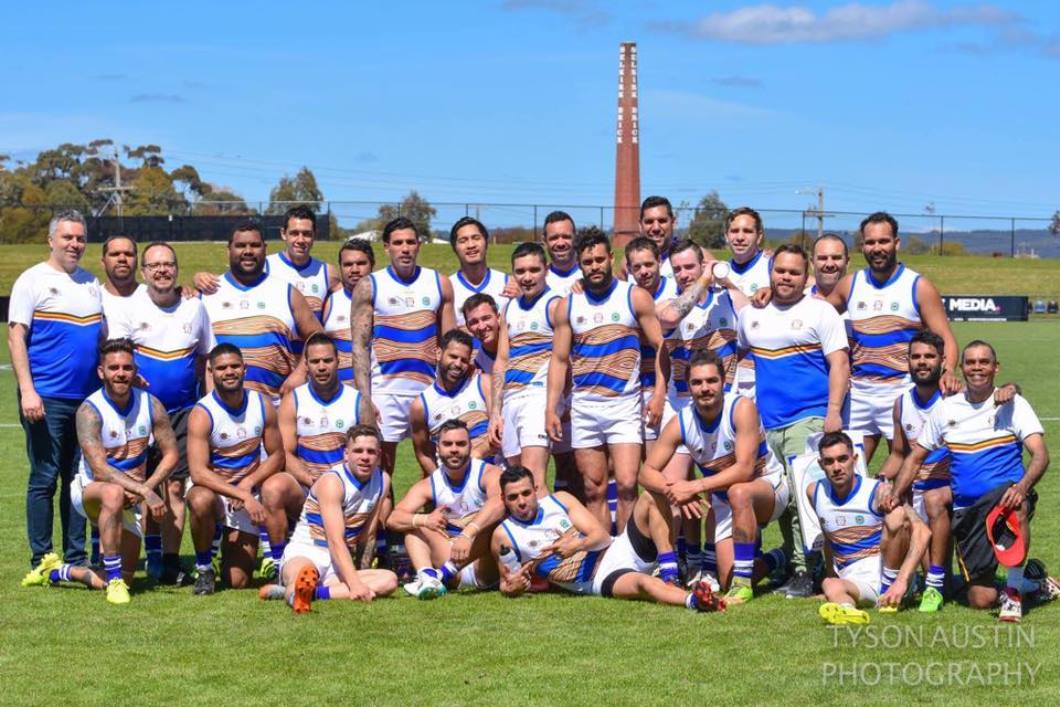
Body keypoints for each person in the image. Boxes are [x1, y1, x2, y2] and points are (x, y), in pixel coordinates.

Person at [885, 340, 1057, 622]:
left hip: (1004, 498)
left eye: (984, 362)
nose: (977, 368)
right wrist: (895, 492)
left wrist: (1021, 488)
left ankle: (1013, 592)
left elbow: (1041, 455)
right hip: (967, 510)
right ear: (961, 368)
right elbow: (915, 457)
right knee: (981, 599)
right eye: (971, 362)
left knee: (1017, 504)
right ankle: (1033, 581)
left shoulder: (1014, 404)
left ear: (996, 368)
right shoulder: (947, 408)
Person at [22, 339, 178, 605]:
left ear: (135, 370)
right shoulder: (89, 410)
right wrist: (143, 491)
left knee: (123, 579)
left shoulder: (151, 405)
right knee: (114, 492)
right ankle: (115, 580)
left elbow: (172, 454)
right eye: (113, 367)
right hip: (90, 491)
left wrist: (145, 489)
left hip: (134, 496)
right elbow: (100, 469)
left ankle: (60, 571)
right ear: (101, 372)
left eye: (127, 368)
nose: (120, 373)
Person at [736, 244, 850, 597]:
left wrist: (832, 412)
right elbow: (740, 360)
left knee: (806, 497)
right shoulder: (751, 315)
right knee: (783, 498)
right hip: (767, 423)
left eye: (794, 272)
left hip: (810, 417)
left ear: (807, 277)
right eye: (780, 271)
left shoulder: (821, 312)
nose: (786, 277)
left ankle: (809, 569)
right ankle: (791, 560)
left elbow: (840, 364)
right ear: (770, 271)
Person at [640, 350, 790, 604]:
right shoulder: (682, 421)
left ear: (724, 381)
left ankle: (743, 585)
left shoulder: (741, 407)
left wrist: (694, 486)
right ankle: (781, 557)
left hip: (767, 488)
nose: (705, 388)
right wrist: (674, 491)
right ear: (689, 386)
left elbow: (744, 469)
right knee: (724, 580)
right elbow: (646, 473)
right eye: (697, 383)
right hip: (724, 501)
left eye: (711, 381)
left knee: (739, 491)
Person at [547, 230, 669, 531]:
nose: (595, 266)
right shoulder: (568, 306)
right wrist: (551, 407)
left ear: (611, 259)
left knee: (628, 484)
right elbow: (559, 360)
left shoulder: (633, 296)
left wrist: (658, 395)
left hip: (625, 405)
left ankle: (629, 556)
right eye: (587, 261)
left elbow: (660, 346)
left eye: (600, 259)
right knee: (594, 488)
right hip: (585, 408)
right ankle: (602, 558)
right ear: (579, 263)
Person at [109, 241, 212, 583]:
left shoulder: (194, 307)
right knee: (141, 486)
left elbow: (204, 358)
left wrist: (209, 407)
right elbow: (119, 359)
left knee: (175, 489)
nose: (162, 270)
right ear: (144, 272)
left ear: (177, 269)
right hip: (140, 414)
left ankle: (168, 560)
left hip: (183, 411)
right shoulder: (129, 307)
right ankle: (145, 555)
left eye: (168, 264)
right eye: (155, 265)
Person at [824, 212, 960, 462]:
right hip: (859, 393)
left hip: (902, 390)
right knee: (848, 470)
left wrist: (948, 369)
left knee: (907, 467)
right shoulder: (850, 284)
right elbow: (814, 314)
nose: (877, 248)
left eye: (883, 241)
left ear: (896, 243)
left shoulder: (917, 286)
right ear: (862, 246)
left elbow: (946, 339)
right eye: (871, 242)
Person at [9, 209, 103, 570]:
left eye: (80, 238)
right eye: (67, 237)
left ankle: (76, 556)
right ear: (51, 240)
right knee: (45, 477)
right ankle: (43, 557)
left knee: (78, 479)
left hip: (86, 402)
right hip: (45, 397)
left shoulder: (91, 282)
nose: (75, 244)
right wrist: (28, 391)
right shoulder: (32, 280)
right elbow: (16, 336)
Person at [491, 466, 723, 611]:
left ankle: (670, 573)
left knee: (652, 497)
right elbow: (507, 582)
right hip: (598, 578)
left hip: (618, 548)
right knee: (644, 584)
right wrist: (514, 588)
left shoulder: (559, 501)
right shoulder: (504, 536)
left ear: (536, 489)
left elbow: (601, 537)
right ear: (503, 498)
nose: (521, 502)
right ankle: (694, 601)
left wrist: (576, 545)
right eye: (513, 497)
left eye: (526, 493)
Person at [350, 217, 456, 475]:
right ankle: (384, 517)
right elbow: (359, 347)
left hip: (429, 389)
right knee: (381, 470)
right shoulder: (369, 285)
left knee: (436, 467)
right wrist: (365, 397)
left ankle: (435, 515)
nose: (405, 248)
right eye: (398, 243)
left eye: (410, 242)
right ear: (387, 247)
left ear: (419, 245)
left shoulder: (439, 283)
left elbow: (451, 343)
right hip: (386, 392)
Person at [258, 425, 398, 613]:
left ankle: (314, 593)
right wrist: (355, 584)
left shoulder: (383, 480)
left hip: (339, 562)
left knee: (389, 580)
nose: (365, 457)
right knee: (302, 574)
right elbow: (335, 540)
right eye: (358, 451)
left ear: (379, 455)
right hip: (308, 550)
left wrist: (359, 571)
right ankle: (296, 594)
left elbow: (368, 534)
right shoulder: (333, 482)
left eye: (371, 452)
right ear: (346, 454)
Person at [185, 344, 285, 595]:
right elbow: (198, 473)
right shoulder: (202, 412)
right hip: (217, 490)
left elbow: (277, 455)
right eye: (221, 368)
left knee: (238, 581)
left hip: (247, 490)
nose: (229, 372)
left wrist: (248, 485)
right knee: (199, 499)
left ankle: (273, 558)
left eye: (234, 366)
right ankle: (205, 567)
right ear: (211, 372)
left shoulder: (262, 404)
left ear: (244, 368)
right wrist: (240, 493)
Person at [269, 333, 364, 579]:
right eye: (315, 362)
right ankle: (278, 560)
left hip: (347, 494)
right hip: (307, 487)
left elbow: (370, 455)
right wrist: (315, 483)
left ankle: (368, 555)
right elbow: (285, 454)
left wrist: (338, 488)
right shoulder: (294, 400)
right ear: (307, 364)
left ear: (338, 361)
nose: (321, 367)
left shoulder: (356, 401)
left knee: (384, 493)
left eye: (327, 361)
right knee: (273, 488)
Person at [812, 432, 931, 624]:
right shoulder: (815, 492)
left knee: (896, 515)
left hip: (888, 574)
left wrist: (901, 582)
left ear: (855, 459)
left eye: (842, 459)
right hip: (854, 579)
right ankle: (848, 612)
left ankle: (889, 592)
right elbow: (828, 536)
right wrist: (830, 575)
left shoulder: (879, 491)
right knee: (830, 584)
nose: (836, 467)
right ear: (821, 465)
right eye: (829, 461)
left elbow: (923, 532)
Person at [201, 220, 323, 405]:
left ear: (265, 249)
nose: (248, 251)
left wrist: (300, 372)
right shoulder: (208, 293)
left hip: (277, 406)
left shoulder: (286, 292)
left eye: (255, 245)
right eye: (241, 245)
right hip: (221, 410)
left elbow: (318, 336)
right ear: (229, 250)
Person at [388, 420, 504, 599]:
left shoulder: (488, 473)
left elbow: (499, 502)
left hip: (484, 564)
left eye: (460, 444)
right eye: (448, 444)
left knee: (496, 523)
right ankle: (429, 578)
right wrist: (425, 520)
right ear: (438, 448)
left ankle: (441, 575)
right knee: (413, 524)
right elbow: (393, 518)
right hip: (450, 559)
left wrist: (468, 534)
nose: (454, 449)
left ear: (470, 446)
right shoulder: (430, 484)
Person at [488, 243, 565, 487]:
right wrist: (495, 413)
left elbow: (565, 359)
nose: (527, 277)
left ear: (547, 270)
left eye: (534, 270)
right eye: (520, 271)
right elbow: (501, 360)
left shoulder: (555, 305)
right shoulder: (509, 308)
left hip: (538, 396)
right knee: (516, 480)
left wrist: (552, 406)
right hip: (512, 399)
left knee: (535, 480)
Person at [196, 205, 340, 327]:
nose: (300, 240)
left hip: (309, 355)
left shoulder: (327, 272)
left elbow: (345, 303)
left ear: (315, 235)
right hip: (278, 353)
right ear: (284, 234)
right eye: (294, 233)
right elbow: (231, 283)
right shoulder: (264, 265)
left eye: (307, 234)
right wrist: (199, 278)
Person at [410, 330, 492, 474]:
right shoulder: (421, 405)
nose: (458, 364)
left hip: (488, 473)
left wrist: (475, 456)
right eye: (453, 357)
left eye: (464, 360)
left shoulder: (483, 384)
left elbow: (500, 432)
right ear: (438, 354)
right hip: (451, 483)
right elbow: (423, 453)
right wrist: (440, 481)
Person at [624, 237, 678, 444]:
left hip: (671, 387)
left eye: (649, 264)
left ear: (660, 261)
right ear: (629, 268)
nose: (644, 271)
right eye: (637, 267)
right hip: (637, 387)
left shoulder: (675, 290)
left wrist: (659, 394)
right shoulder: (626, 295)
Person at [724, 207, 771, 398]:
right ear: (726, 236)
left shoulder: (772, 266)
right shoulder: (721, 271)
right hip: (729, 373)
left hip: (763, 372)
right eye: (734, 231)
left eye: (747, 231)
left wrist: (773, 290)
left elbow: (808, 284)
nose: (740, 237)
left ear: (759, 236)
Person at [321, 238, 375, 386]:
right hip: (340, 395)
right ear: (340, 267)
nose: (355, 269)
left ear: (372, 265)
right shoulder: (330, 302)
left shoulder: (383, 301)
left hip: (376, 394)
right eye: (348, 265)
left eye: (361, 263)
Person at [448, 217, 509, 325]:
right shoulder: (447, 288)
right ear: (454, 248)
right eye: (463, 241)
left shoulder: (508, 283)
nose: (471, 245)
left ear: (486, 242)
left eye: (476, 238)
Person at [99, 235, 144, 323]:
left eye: (128, 254)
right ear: (103, 263)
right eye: (115, 254)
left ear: (137, 261)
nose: (122, 259)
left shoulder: (153, 297)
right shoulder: (93, 300)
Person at [542, 211, 582, 296]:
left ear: (575, 238)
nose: (561, 243)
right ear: (544, 241)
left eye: (566, 237)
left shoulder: (590, 275)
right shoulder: (537, 279)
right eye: (554, 238)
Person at [638, 195, 679, 278]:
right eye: (649, 222)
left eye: (662, 221)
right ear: (640, 225)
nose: (656, 228)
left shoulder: (694, 257)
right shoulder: (630, 262)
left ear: (673, 223)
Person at [462, 293, 501, 374]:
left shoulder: (520, 344)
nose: (481, 327)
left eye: (486, 318)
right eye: (474, 322)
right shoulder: (478, 365)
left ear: (498, 318)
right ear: (468, 327)